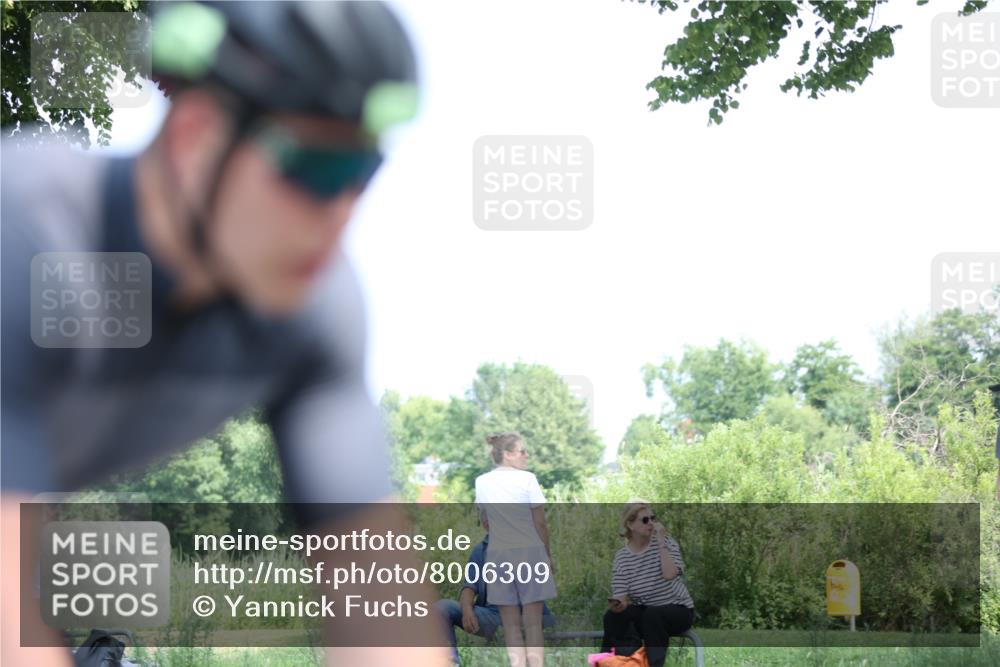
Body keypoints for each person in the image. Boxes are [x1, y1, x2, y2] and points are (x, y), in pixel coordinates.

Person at [0, 2, 448, 665]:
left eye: (362, 173)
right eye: (317, 170)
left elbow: (381, 613)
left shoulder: (315, 308)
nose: (341, 213)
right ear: (195, 138)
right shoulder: (28, 234)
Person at [474, 433, 556, 667]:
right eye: (522, 451)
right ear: (507, 454)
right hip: (530, 552)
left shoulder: (481, 482)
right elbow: (540, 523)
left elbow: (485, 518)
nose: (527, 455)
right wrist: (548, 558)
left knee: (510, 625)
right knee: (532, 623)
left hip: (498, 555)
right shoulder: (528, 479)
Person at [436, 511, 556, 665]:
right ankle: (451, 662)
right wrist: (467, 610)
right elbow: (469, 587)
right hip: (492, 616)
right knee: (442, 608)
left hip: (526, 617)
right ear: (487, 525)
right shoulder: (480, 551)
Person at [601, 501, 695, 667]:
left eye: (653, 518)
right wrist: (618, 605)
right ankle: (615, 663)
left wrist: (661, 543)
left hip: (678, 609)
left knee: (653, 615)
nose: (651, 523)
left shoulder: (667, 543)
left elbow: (669, 574)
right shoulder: (622, 557)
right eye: (645, 520)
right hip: (646, 612)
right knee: (612, 617)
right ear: (630, 525)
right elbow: (620, 595)